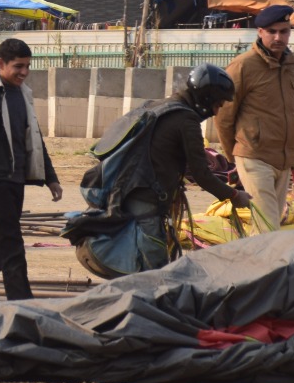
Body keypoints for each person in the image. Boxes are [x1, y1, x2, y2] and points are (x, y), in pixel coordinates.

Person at [66, 64, 250, 276]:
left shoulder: (157, 105)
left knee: (143, 266)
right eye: (218, 104)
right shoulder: (186, 120)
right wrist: (234, 195)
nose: (217, 111)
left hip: (126, 191)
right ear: (207, 98)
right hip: (146, 200)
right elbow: (202, 175)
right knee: (152, 271)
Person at [0, 37, 63, 309]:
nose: (24, 72)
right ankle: (24, 307)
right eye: (18, 66)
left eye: (27, 66)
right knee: (11, 244)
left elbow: (35, 139)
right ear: (1, 64)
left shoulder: (23, 94)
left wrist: (50, 176)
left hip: (16, 180)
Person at [216, 5, 294, 230]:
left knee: (267, 226)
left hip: (283, 158)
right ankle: (267, 265)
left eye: (284, 31)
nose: (278, 37)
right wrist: (233, 158)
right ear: (260, 32)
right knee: (268, 226)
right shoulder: (243, 65)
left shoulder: (289, 65)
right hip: (253, 155)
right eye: (272, 31)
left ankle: (253, 264)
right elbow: (224, 115)